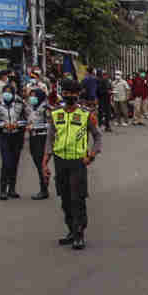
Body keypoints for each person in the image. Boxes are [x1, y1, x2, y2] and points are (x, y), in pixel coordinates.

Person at [48, 78, 100, 249]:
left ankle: (79, 233)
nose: (69, 96)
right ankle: (71, 230)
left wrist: (91, 155)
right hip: (60, 161)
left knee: (77, 199)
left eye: (73, 93)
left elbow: (97, 137)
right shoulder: (55, 113)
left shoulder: (86, 114)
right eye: (66, 93)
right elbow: (50, 137)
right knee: (65, 199)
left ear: (78, 95)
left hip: (78, 162)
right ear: (62, 94)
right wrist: (45, 162)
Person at [0, 85, 28, 199]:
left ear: (13, 94)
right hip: (4, 136)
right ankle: (3, 190)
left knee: (14, 163)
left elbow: (26, 119)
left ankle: (12, 189)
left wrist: (18, 124)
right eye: (5, 92)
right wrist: (3, 125)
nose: (7, 94)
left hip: (17, 137)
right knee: (6, 163)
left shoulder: (19, 104)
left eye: (9, 92)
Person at [24, 84, 52, 200]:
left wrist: (35, 127)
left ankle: (44, 189)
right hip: (33, 138)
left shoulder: (46, 108)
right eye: (31, 96)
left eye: (34, 96)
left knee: (41, 163)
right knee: (37, 162)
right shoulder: (30, 107)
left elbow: (50, 125)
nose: (32, 98)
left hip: (42, 138)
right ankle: (44, 184)